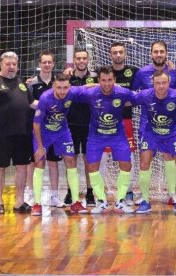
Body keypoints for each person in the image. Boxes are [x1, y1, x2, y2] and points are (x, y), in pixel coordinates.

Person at [72, 66, 135, 214]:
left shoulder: (123, 93)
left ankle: (120, 201)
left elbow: (140, 98)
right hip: (96, 136)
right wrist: (91, 85)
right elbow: (71, 91)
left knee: (126, 165)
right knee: (92, 166)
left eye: (110, 80)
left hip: (117, 135)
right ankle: (101, 201)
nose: (107, 84)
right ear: (98, 81)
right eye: (103, 80)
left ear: (115, 80)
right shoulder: (91, 93)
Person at [0, 51, 37, 214]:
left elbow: (32, 103)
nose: (11, 67)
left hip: (22, 134)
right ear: (1, 64)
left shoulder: (21, 82)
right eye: (8, 64)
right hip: (1, 134)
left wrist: (53, 101)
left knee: (22, 168)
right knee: (0, 167)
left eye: (14, 64)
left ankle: (19, 202)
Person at [31, 73, 88, 215]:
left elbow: (87, 87)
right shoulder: (45, 98)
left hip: (62, 132)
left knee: (71, 160)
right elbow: (36, 124)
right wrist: (39, 146)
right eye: (59, 88)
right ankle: (37, 204)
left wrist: (105, 85)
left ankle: (75, 202)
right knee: (39, 162)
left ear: (69, 87)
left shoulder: (72, 91)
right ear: (54, 86)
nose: (62, 91)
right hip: (44, 134)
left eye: (65, 88)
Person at [133, 70, 176, 214]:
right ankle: (145, 201)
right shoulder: (145, 95)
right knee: (144, 161)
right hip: (151, 133)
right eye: (158, 83)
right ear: (153, 84)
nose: (161, 86)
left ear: (169, 83)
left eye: (164, 83)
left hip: (173, 133)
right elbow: (127, 98)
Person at [132, 40, 176, 205]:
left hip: (169, 126)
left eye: (161, 52)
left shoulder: (174, 73)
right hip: (147, 125)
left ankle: (172, 194)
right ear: (151, 54)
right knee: (145, 160)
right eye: (156, 52)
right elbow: (132, 94)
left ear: (166, 53)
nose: (159, 54)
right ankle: (145, 197)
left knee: (169, 157)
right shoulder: (141, 73)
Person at [27, 50, 65, 208]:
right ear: (39, 64)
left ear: (53, 64)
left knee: (53, 163)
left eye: (50, 62)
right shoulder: (31, 84)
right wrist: (48, 106)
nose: (47, 64)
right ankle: (31, 194)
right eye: (44, 62)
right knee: (35, 162)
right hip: (38, 130)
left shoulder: (58, 83)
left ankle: (55, 196)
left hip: (55, 129)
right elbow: (29, 103)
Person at [63, 49, 98, 207]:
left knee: (88, 160)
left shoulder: (95, 76)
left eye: (84, 58)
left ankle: (90, 192)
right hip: (70, 124)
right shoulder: (67, 77)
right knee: (71, 159)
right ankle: (71, 191)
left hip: (90, 124)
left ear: (88, 59)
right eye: (78, 58)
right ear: (74, 60)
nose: (81, 61)